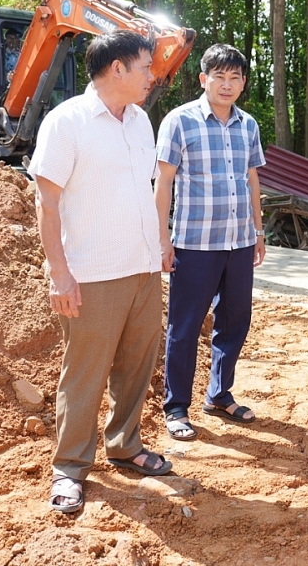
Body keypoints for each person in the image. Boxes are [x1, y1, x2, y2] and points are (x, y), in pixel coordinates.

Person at [29, 30, 172, 515]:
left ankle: (125, 444)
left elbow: (145, 192)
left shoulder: (139, 123)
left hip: (143, 268)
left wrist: (160, 245)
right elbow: (46, 202)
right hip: (91, 274)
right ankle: (69, 467)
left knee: (136, 365)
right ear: (117, 69)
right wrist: (59, 273)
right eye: (145, 67)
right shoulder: (66, 122)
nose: (152, 76)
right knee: (85, 373)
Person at [155, 44, 266, 440]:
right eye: (219, 76)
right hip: (194, 243)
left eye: (235, 77)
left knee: (235, 319)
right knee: (185, 326)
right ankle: (176, 407)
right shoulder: (179, 122)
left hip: (238, 242)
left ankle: (219, 393)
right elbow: (164, 181)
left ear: (243, 83)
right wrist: (162, 239)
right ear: (204, 79)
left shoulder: (248, 125)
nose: (227, 84)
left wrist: (257, 230)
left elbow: (252, 178)